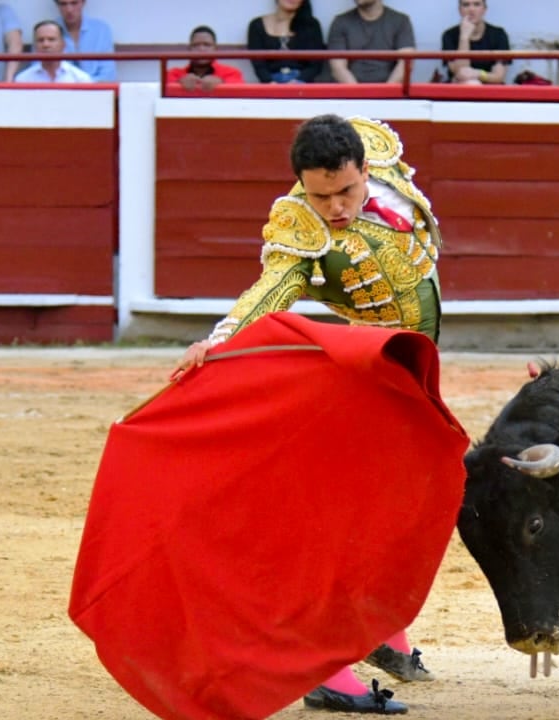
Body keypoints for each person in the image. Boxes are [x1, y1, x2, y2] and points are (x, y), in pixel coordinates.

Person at [174, 115, 443, 713]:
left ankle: (378, 630)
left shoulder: (379, 152)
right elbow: (267, 292)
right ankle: (327, 663)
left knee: (397, 509)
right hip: (368, 374)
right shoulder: (300, 227)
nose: (335, 207)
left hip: (414, 373)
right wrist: (216, 344)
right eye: (319, 196)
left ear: (366, 170)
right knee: (349, 519)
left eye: (345, 191)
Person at [328, 0, 416, 84]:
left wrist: (385, 94)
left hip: (391, 95)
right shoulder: (340, 22)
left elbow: (405, 64)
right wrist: (360, 96)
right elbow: (338, 68)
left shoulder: (401, 21)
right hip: (352, 95)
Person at [248, 0, 327, 84]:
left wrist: (296, 82)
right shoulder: (256, 25)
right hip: (270, 82)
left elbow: (315, 65)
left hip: (302, 82)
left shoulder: (312, 25)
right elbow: (258, 64)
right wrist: (270, 82)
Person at [440, 0, 510, 85]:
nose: (471, 9)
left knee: (473, 83)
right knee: (470, 83)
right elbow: (461, 72)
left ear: (484, 9)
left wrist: (478, 74)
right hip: (460, 87)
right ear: (459, 10)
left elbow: (499, 76)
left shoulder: (498, 34)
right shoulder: (449, 35)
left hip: (490, 89)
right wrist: (464, 37)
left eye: (477, 4)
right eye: (466, 5)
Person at [167, 25, 245, 90]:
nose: (201, 49)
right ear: (189, 49)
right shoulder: (174, 74)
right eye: (196, 45)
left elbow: (240, 92)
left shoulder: (232, 73)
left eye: (207, 45)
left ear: (216, 49)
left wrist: (222, 83)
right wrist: (178, 83)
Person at [53, 0, 115, 81]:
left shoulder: (101, 30)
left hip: (95, 89)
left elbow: (108, 74)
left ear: (83, 2)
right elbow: (38, 70)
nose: (69, 10)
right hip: (59, 90)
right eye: (63, 4)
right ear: (57, 5)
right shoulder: (47, 32)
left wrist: (86, 86)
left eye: (74, 3)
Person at [15, 19, 94, 83]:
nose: (46, 44)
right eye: (40, 40)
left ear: (63, 45)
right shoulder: (23, 80)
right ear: (35, 46)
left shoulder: (80, 79)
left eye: (51, 39)